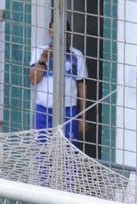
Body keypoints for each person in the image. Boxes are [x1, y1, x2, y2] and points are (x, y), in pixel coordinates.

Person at [28, 19, 88, 150]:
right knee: (42, 151)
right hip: (44, 109)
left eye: (63, 31)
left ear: (69, 34)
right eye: (55, 30)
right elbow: (33, 80)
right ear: (50, 32)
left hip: (69, 110)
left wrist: (82, 116)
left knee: (68, 152)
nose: (59, 34)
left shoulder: (77, 55)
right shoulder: (39, 51)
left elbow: (82, 86)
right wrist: (43, 59)